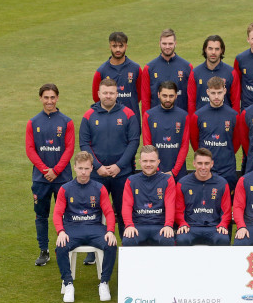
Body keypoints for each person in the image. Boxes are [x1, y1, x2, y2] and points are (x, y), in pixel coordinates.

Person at [79, 78, 140, 263]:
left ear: (117, 94)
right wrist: (98, 167)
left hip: (122, 174)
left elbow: (134, 142)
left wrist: (118, 166)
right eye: (105, 92)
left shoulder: (128, 114)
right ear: (98, 94)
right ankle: (93, 250)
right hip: (97, 176)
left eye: (111, 92)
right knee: (94, 213)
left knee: (124, 212)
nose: (108, 96)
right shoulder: (89, 115)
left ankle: (126, 249)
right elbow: (84, 144)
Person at [53, 151, 117, 303]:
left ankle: (104, 282)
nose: (83, 172)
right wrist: (61, 231)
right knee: (60, 246)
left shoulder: (99, 188)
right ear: (74, 167)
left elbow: (108, 211)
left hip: (95, 228)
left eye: (87, 169)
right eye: (80, 168)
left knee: (111, 244)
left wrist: (110, 231)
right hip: (72, 229)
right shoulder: (65, 189)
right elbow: (57, 214)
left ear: (92, 168)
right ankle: (68, 283)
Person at [26, 83, 75, 266]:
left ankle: (67, 246)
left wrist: (56, 170)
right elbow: (30, 150)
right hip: (41, 178)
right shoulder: (33, 122)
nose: (49, 101)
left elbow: (69, 149)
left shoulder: (66, 122)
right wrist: (45, 170)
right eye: (46, 97)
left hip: (62, 178)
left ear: (57, 98)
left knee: (66, 214)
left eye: (52, 97)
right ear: (41, 99)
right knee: (41, 215)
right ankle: (44, 250)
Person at [189, 77, 240, 193]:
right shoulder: (198, 115)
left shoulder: (234, 116)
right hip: (205, 169)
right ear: (207, 92)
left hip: (227, 168)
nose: (216, 97)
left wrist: (226, 152)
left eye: (219, 93)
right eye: (213, 93)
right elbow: (194, 141)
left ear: (225, 91)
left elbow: (237, 141)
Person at [175, 148, 232, 245]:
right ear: (194, 164)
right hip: (190, 227)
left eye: (206, 163)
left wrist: (223, 224)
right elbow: (178, 210)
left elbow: (226, 210)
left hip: (214, 228)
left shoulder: (222, 183)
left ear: (212, 164)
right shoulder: (183, 183)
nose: (203, 167)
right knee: (182, 239)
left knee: (223, 239)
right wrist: (182, 223)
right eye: (200, 163)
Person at [121, 146, 176, 246]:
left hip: (160, 225)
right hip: (138, 225)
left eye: (152, 161)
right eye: (145, 161)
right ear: (140, 161)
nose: (148, 164)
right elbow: (126, 205)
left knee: (167, 240)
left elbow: (170, 205)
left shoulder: (167, 180)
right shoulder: (131, 181)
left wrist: (168, 225)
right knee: (128, 240)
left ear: (158, 162)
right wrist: (129, 225)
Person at [142, 81, 190, 182]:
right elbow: (147, 145)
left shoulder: (183, 116)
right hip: (155, 172)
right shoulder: (149, 115)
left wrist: (174, 171)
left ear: (176, 96)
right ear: (158, 95)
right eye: (164, 95)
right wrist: (157, 170)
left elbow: (184, 146)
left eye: (171, 96)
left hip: (178, 173)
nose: (168, 99)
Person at [92, 32, 142, 125]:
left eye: (121, 46)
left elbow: (139, 95)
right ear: (110, 46)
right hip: (109, 121)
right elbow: (96, 98)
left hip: (131, 120)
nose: (118, 49)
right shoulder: (101, 71)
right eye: (114, 46)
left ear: (126, 46)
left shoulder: (136, 69)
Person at [141, 28, 193, 113]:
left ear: (175, 44)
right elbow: (145, 100)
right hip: (156, 119)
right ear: (159, 44)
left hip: (180, 119)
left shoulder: (187, 67)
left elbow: (191, 99)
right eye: (164, 43)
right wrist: (147, 120)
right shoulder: (149, 68)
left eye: (170, 43)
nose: (167, 47)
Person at [187, 35, 240, 115]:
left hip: (225, 121)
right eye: (210, 48)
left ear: (222, 50)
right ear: (205, 49)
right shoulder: (195, 73)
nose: (213, 52)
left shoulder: (231, 73)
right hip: (202, 121)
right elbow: (191, 102)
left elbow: (235, 102)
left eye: (217, 49)